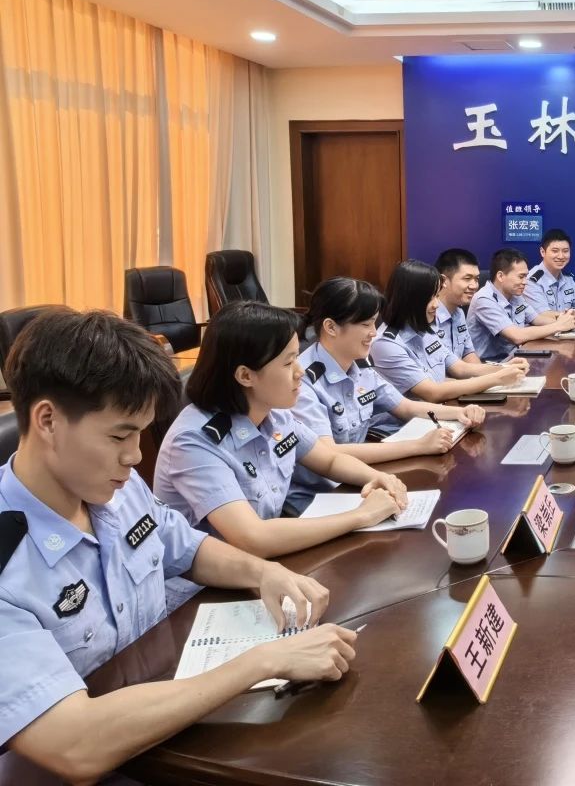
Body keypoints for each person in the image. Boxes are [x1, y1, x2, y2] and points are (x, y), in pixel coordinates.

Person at [0, 309, 359, 783]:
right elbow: (75, 745)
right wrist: (265, 661)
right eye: (119, 435)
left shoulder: (114, 488)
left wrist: (263, 573)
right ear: (48, 420)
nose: (136, 456)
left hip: (168, 735)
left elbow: (185, 545)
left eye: (140, 432)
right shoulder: (9, 559)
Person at [153, 302, 408, 558]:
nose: (300, 372)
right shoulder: (193, 441)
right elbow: (253, 538)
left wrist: (377, 477)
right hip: (216, 578)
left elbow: (329, 460)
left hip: (270, 560)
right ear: (245, 376)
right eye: (288, 363)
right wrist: (362, 516)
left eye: (297, 357)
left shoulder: (274, 413)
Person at [287, 277, 487, 514]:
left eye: (374, 323)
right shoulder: (302, 380)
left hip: (357, 481)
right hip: (317, 497)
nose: (374, 333)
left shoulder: (359, 365)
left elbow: (405, 406)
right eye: (365, 325)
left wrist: (460, 412)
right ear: (331, 327)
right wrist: (418, 446)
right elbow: (329, 452)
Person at [371, 260, 527, 402]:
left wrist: (504, 368)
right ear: (410, 300)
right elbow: (433, 392)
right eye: (430, 298)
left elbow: (460, 368)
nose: (436, 305)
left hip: (443, 410)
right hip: (414, 421)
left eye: (436, 296)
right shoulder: (386, 344)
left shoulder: (426, 329)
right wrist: (497, 378)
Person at [468, 248, 575, 361]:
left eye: (526, 276)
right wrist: (558, 326)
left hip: (515, 356)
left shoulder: (515, 294)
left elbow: (537, 319)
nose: (525, 282)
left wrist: (565, 320)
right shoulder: (484, 299)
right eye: (521, 277)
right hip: (490, 363)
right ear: (500, 276)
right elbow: (517, 336)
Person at [522, 229, 575, 323]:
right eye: (555, 251)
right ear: (543, 252)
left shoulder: (567, 278)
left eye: (565, 251)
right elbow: (543, 315)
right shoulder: (531, 280)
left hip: (568, 331)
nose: (561, 256)